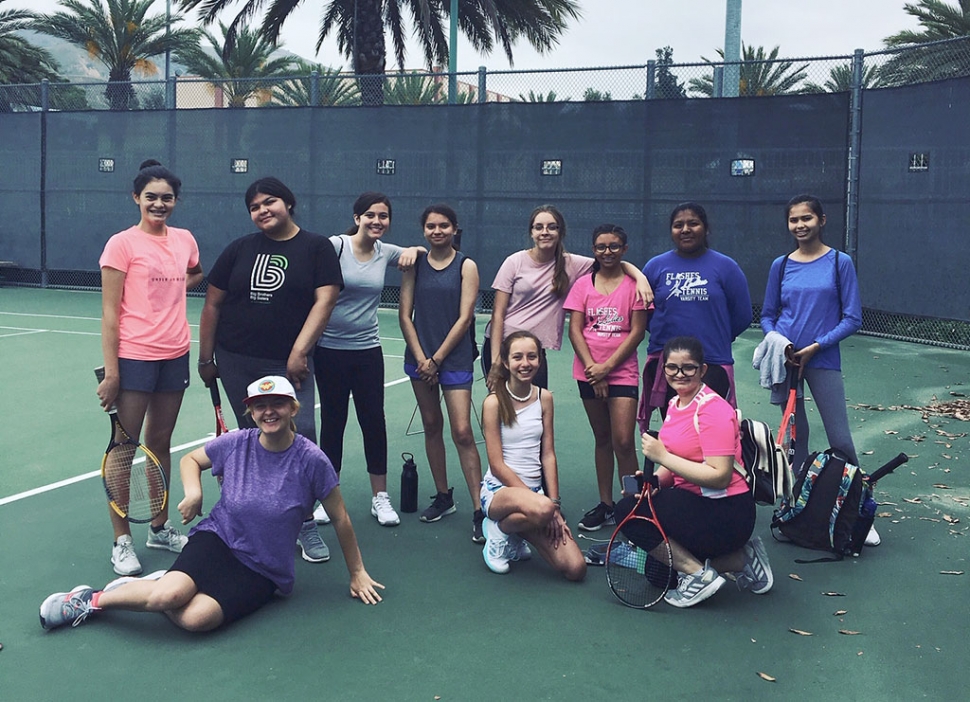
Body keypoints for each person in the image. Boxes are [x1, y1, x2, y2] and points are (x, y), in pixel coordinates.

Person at [39, 376, 384, 632]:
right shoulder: (238, 443)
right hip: (219, 538)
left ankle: (158, 584)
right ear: (250, 412)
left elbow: (340, 517)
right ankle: (90, 600)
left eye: (277, 403)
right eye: (260, 406)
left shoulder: (311, 460)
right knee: (166, 599)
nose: (269, 411)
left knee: (196, 620)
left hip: (263, 568)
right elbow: (191, 460)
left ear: (293, 408)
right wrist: (194, 492)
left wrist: (357, 573)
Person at [198, 177, 342, 562]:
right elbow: (212, 304)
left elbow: (325, 300)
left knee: (302, 437)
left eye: (270, 202)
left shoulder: (316, 247)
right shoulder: (239, 249)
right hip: (236, 359)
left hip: (288, 365)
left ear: (289, 203)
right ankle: (256, 520)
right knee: (254, 440)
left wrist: (299, 352)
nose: (263, 210)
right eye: (255, 206)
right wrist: (205, 358)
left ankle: (305, 522)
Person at [95, 159, 203, 577]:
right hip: (134, 356)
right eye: (151, 197)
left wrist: (172, 290)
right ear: (136, 198)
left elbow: (194, 273)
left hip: (175, 352)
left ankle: (159, 528)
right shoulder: (120, 245)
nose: (160, 204)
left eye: (167, 198)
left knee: (160, 443)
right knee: (124, 449)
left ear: (176, 201)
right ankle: (122, 541)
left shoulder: (184, 240)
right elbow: (109, 314)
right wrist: (113, 372)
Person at [614, 336, 773, 608]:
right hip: (694, 505)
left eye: (688, 367)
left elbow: (720, 475)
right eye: (672, 367)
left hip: (727, 511)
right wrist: (655, 481)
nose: (679, 374)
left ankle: (699, 575)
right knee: (658, 574)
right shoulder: (676, 405)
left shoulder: (714, 410)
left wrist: (662, 456)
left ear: (702, 370)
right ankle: (742, 558)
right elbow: (676, 462)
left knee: (626, 511)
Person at [759, 194, 876, 545]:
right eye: (794, 220)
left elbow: (852, 317)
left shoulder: (840, 262)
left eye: (807, 218)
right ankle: (797, 509)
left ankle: (860, 511)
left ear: (822, 220)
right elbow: (766, 315)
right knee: (796, 441)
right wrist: (779, 341)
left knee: (840, 439)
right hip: (788, 360)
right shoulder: (780, 265)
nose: (800, 225)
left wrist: (817, 346)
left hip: (821, 360)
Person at [313, 192, 425, 528]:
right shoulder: (336, 246)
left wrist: (413, 250)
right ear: (358, 217)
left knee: (373, 421)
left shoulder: (385, 252)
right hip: (329, 350)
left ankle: (380, 498)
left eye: (384, 217)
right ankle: (327, 497)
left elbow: (415, 254)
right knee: (333, 422)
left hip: (367, 352)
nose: (377, 221)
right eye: (371, 216)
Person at [484, 205, 652, 391]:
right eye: (538, 227)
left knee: (533, 409)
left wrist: (640, 278)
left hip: (534, 351)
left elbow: (611, 260)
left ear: (561, 232)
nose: (545, 232)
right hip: (504, 348)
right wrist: (496, 360)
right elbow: (498, 315)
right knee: (501, 410)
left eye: (552, 227)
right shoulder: (514, 262)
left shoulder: (573, 264)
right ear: (531, 232)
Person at [399, 204, 485, 542]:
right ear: (424, 230)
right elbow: (405, 315)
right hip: (419, 359)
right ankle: (443, 496)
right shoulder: (413, 265)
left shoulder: (467, 266)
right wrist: (423, 358)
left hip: (454, 359)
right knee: (431, 425)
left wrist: (436, 359)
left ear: (454, 229)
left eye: (444, 226)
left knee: (462, 431)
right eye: (431, 226)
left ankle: (480, 509)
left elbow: (465, 318)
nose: (437, 231)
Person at [479, 331, 586, 580]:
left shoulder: (544, 398)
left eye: (532, 357)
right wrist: (545, 507)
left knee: (575, 569)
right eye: (517, 357)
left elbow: (548, 454)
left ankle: (515, 531)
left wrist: (554, 505)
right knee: (542, 509)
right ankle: (497, 528)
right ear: (505, 362)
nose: (525, 363)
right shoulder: (493, 402)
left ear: (540, 360)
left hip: (537, 500)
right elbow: (496, 465)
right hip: (499, 492)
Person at [563, 225, 648, 532]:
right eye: (601, 247)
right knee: (603, 439)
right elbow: (575, 330)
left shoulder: (635, 286)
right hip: (587, 373)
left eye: (614, 246)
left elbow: (637, 331)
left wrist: (606, 368)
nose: (607, 252)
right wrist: (592, 369)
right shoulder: (583, 285)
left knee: (624, 442)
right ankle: (607, 505)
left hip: (622, 373)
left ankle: (636, 505)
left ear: (624, 249)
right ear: (593, 250)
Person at [638, 202, 751, 431]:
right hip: (667, 362)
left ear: (706, 229)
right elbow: (645, 313)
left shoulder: (726, 266)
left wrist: (716, 336)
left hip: (712, 361)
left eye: (693, 223)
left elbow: (743, 315)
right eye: (678, 225)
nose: (685, 229)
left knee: (707, 429)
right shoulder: (656, 266)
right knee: (677, 430)